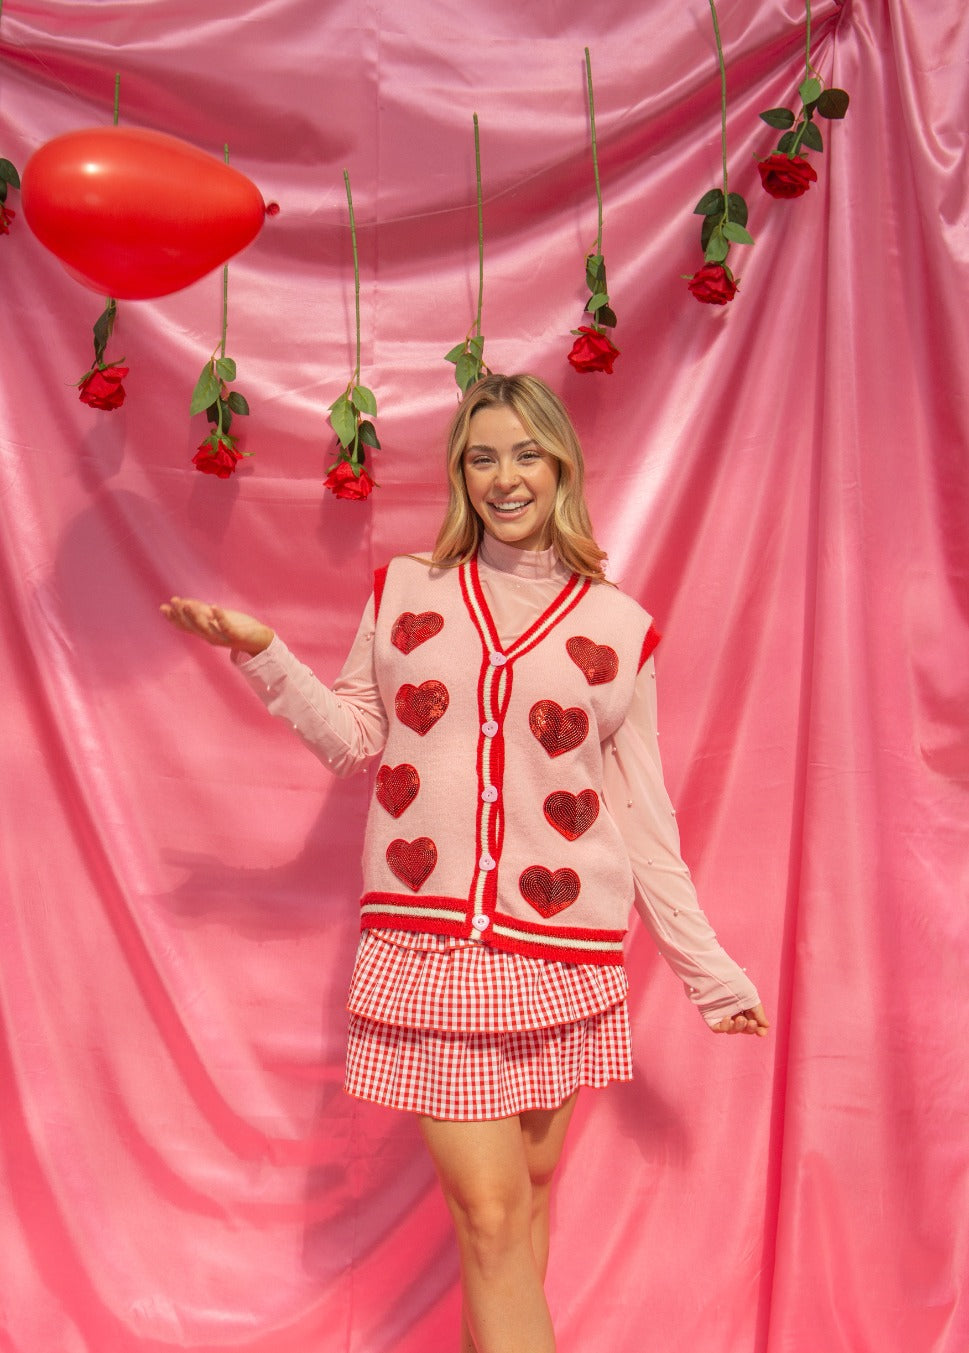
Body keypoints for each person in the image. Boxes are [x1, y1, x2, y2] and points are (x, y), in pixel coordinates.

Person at [162, 373, 768, 1353]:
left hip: (562, 950)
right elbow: (355, 737)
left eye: (525, 454)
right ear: (460, 475)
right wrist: (264, 652)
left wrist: (710, 974)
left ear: (561, 464)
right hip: (434, 948)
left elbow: (645, 824)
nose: (505, 477)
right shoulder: (411, 593)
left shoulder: (618, 628)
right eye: (481, 457)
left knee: (521, 1214)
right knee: (489, 1218)